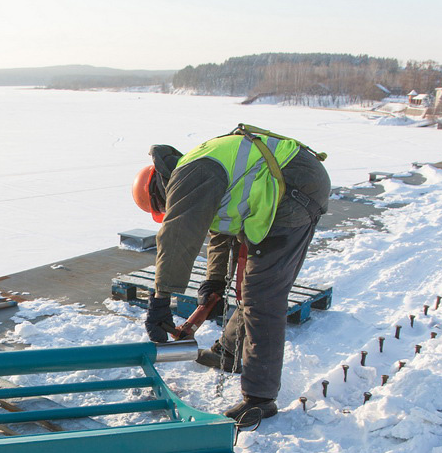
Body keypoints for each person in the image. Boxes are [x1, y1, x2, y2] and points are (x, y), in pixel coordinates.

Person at [132, 124, 331, 427]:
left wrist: (160, 299)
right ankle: (229, 351)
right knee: (255, 288)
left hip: (294, 188)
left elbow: (177, 235)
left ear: (160, 192)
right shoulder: (199, 170)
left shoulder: (190, 176)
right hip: (293, 183)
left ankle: (260, 399)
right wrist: (213, 282)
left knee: (262, 294)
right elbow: (220, 233)